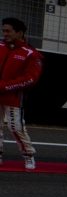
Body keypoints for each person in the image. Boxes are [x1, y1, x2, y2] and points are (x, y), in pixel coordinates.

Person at [0, 17, 42, 171]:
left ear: (19, 33)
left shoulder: (31, 53)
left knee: (16, 127)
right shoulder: (0, 46)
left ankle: (28, 155)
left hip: (14, 97)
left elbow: (30, 79)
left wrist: (4, 87)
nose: (5, 34)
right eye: (3, 30)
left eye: (8, 31)